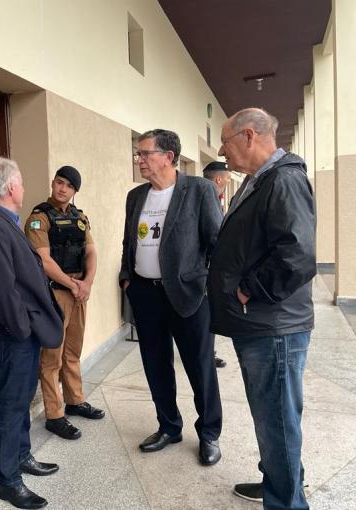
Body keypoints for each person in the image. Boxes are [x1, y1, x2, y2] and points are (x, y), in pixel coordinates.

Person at [209, 108, 315, 509]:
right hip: (263, 325)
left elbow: (297, 256)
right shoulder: (261, 180)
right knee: (274, 420)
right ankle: (280, 483)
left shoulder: (283, 180)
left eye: (225, 141)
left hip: (274, 328)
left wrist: (248, 290)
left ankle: (285, 500)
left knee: (277, 424)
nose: (222, 151)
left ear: (249, 136)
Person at [119, 129, 223, 466]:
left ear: (168, 156)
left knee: (200, 366)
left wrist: (207, 285)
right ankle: (168, 426)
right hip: (146, 294)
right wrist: (127, 278)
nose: (139, 159)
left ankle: (209, 433)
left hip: (189, 294)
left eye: (145, 153)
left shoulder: (199, 190)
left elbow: (217, 242)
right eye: (138, 153)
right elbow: (129, 242)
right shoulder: (136, 196)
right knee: (155, 363)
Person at [0, 158, 63, 510]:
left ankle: (21, 456)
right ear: (10, 188)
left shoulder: (3, 221)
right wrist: (23, 328)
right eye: (21, 182)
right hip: (15, 335)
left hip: (22, 332)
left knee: (21, 398)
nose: (24, 188)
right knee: (10, 404)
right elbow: (0, 289)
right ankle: (7, 479)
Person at [24, 165, 104, 441]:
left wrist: (87, 283)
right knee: (51, 357)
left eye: (69, 186)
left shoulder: (80, 218)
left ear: (74, 191)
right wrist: (73, 285)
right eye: (59, 182)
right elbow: (44, 261)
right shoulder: (39, 219)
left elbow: (91, 252)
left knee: (73, 350)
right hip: (55, 293)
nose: (63, 189)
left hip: (79, 292)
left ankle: (75, 400)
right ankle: (55, 415)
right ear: (53, 183)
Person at [202, 160, 232, 369]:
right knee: (205, 314)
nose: (229, 182)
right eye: (228, 179)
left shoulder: (212, 196)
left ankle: (207, 352)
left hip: (207, 267)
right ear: (219, 179)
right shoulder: (207, 196)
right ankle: (205, 354)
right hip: (204, 268)